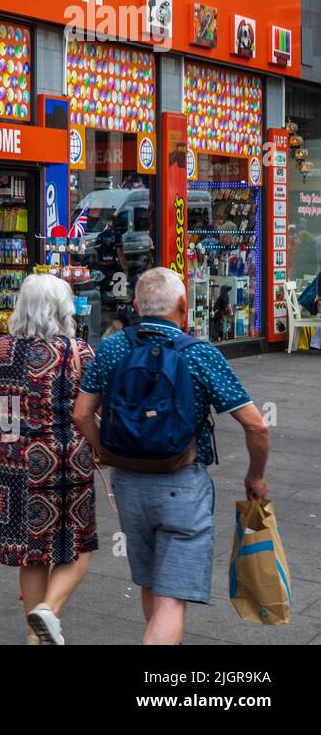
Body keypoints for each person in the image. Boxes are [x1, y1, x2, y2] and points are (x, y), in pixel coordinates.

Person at [73, 267, 270, 645]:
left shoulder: (112, 348)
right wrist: (255, 476)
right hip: (182, 486)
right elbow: (257, 426)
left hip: (129, 486)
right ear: (183, 304)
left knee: (151, 582)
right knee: (171, 601)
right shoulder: (200, 354)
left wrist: (108, 453)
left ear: (136, 305)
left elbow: (82, 414)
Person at [0, 273, 97, 646]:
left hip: (15, 462)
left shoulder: (1, 348)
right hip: (65, 460)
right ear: (62, 308)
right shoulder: (79, 351)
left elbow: (4, 403)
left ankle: (34, 637)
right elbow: (90, 409)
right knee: (77, 545)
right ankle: (47, 612)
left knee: (31, 553)